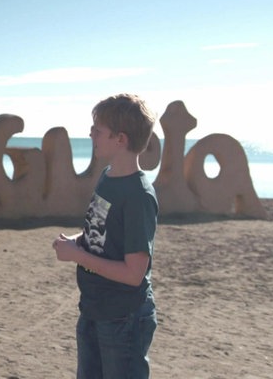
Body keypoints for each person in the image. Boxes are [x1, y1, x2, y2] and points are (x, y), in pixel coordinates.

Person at [52, 93, 158, 379]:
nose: (91, 134)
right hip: (94, 309)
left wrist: (77, 255)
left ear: (120, 139)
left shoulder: (138, 196)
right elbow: (101, 234)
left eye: (97, 130)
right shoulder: (108, 176)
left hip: (124, 317)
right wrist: (76, 241)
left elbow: (134, 273)